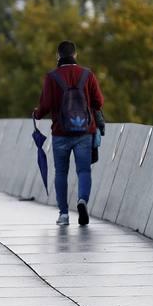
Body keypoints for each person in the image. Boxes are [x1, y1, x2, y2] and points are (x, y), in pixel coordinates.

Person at [33, 40, 105, 227]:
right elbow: (99, 102)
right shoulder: (87, 75)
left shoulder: (52, 77)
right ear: (75, 55)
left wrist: (37, 113)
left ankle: (64, 214)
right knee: (83, 170)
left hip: (60, 133)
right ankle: (82, 200)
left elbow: (45, 106)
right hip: (84, 132)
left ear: (58, 56)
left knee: (61, 173)